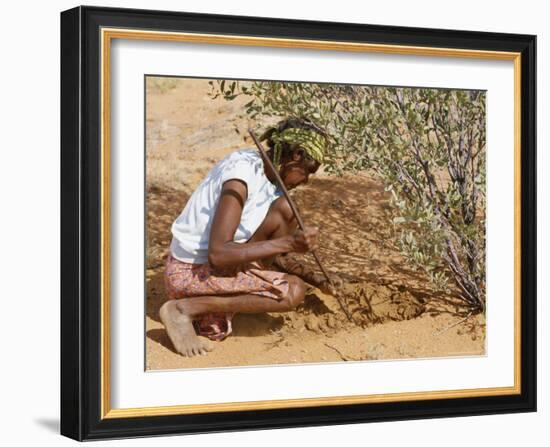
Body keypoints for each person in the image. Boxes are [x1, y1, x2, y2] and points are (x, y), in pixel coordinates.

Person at [160, 117, 341, 357]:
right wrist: (289, 243)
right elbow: (219, 254)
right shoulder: (241, 176)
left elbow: (275, 254)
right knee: (293, 290)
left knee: (286, 210)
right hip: (189, 272)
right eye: (308, 171)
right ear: (296, 156)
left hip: (217, 265)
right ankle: (185, 309)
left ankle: (210, 304)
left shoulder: (270, 181)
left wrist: (318, 279)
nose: (306, 180)